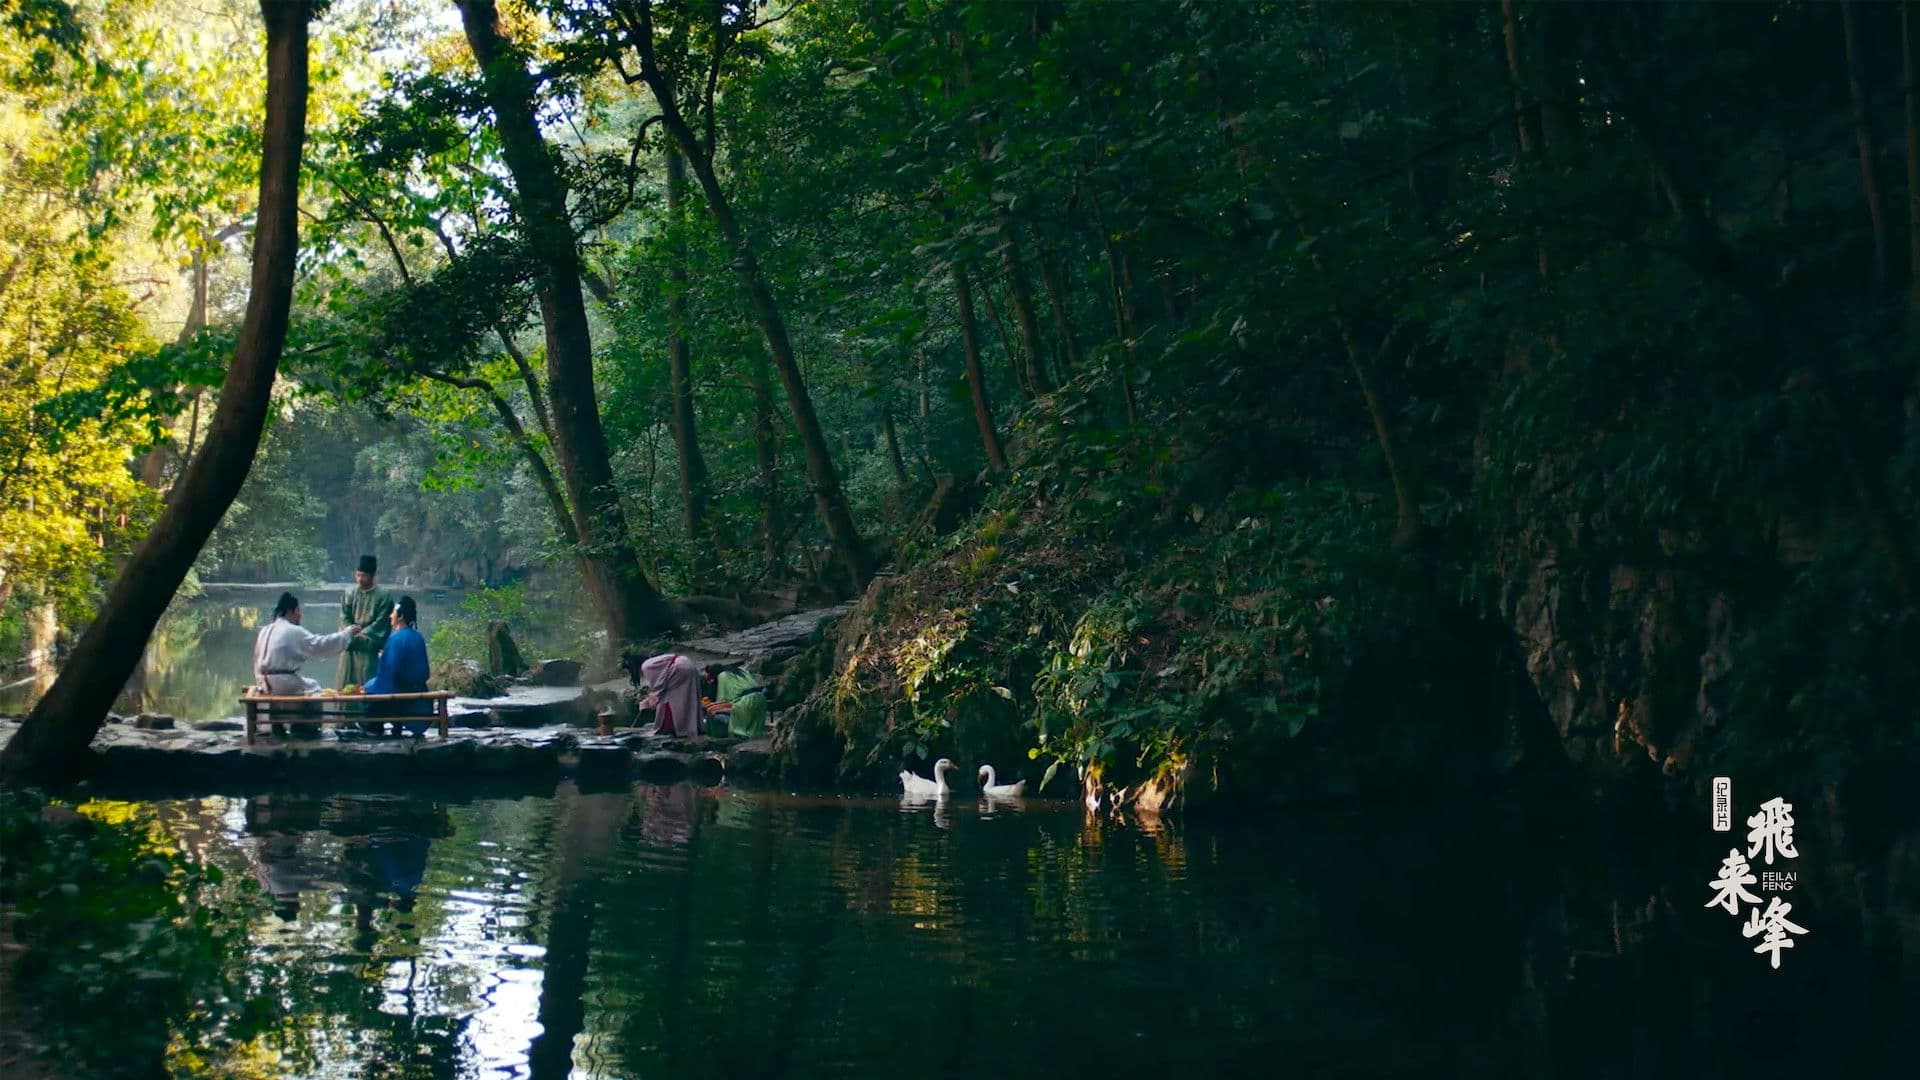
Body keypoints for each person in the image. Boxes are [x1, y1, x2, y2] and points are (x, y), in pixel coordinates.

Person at [253, 592, 361, 734]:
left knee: (306, 683)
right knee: (314, 687)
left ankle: (278, 724)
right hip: (283, 683)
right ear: (292, 611)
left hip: (262, 681)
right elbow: (320, 645)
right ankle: (306, 727)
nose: (300, 615)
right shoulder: (292, 631)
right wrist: (346, 634)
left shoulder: (265, 630)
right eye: (298, 611)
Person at [362, 596, 432, 736]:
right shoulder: (418, 636)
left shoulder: (396, 638)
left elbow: (388, 674)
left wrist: (383, 658)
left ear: (400, 616)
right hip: (417, 690)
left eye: (393, 613)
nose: (390, 616)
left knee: (368, 689)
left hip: (399, 694)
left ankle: (374, 726)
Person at [339, 554, 393, 690]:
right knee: (346, 687)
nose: (360, 579)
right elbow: (344, 616)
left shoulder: (383, 596)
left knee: (367, 687)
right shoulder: (349, 593)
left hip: (368, 650)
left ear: (373, 575)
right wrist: (349, 631)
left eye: (363, 576)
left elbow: (381, 623)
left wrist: (363, 634)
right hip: (350, 648)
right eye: (357, 575)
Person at [638, 653, 701, 737]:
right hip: (688, 664)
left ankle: (668, 727)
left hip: (679, 668)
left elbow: (657, 688)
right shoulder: (653, 661)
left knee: (668, 698)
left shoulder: (645, 666)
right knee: (687, 697)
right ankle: (690, 726)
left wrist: (647, 703)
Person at [701, 663, 769, 739]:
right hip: (761, 698)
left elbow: (722, 699)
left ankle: (719, 737)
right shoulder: (742, 671)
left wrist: (711, 705)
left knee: (711, 710)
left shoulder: (722, 676)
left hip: (745, 701)